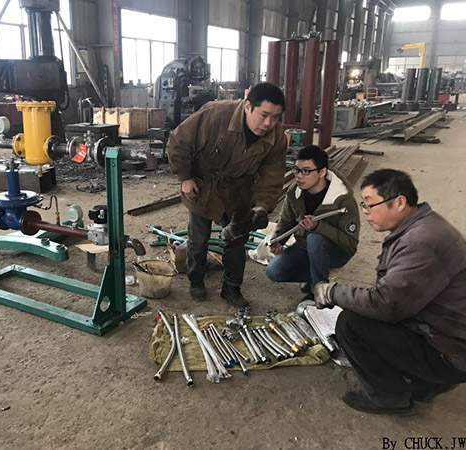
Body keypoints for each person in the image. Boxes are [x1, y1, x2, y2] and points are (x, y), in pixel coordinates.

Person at [314, 169, 466, 415]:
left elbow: (385, 304)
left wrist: (333, 292)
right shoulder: (424, 224)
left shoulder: (419, 242)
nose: (365, 211)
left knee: (351, 324)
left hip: (452, 350)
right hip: (450, 336)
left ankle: (389, 397)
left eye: (370, 204)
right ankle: (427, 383)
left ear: (399, 202)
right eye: (363, 205)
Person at [167, 82, 287, 308]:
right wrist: (185, 177)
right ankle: (196, 279)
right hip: (204, 185)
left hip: (238, 191)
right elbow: (178, 141)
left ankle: (231, 288)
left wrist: (261, 206)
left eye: (275, 118)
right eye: (264, 115)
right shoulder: (215, 115)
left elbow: (272, 175)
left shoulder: (276, 137)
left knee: (237, 241)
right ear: (248, 107)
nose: (268, 124)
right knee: (199, 238)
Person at [265, 145, 360, 299]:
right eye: (296, 170)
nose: (299, 176)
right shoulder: (294, 192)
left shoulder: (342, 199)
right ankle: (313, 275)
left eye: (306, 171)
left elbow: (349, 242)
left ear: (322, 172)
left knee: (315, 238)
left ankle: (319, 293)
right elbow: (287, 221)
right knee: (274, 271)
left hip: (337, 251)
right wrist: (278, 240)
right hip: (304, 246)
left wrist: (318, 227)